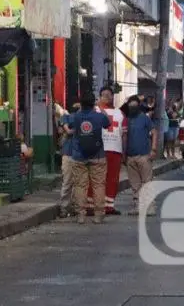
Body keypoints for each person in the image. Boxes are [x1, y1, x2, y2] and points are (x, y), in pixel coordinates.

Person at [67, 91, 110, 224]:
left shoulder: (76, 116)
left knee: (80, 185)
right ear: (94, 103)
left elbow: (70, 126)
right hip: (98, 155)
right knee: (98, 185)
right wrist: (100, 108)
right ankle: (98, 215)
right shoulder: (99, 116)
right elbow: (107, 123)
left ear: (81, 103)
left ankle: (81, 215)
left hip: (79, 156)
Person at [123, 95, 159, 215]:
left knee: (147, 182)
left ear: (138, 106)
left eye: (134, 106)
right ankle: (138, 206)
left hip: (144, 155)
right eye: (130, 106)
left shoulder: (144, 118)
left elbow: (154, 132)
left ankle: (151, 207)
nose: (132, 108)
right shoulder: (126, 119)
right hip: (130, 156)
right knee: (135, 184)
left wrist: (153, 149)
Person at [98, 86, 126, 215]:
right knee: (97, 178)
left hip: (115, 150)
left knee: (113, 179)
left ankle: (109, 206)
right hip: (99, 150)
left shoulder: (120, 113)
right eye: (104, 94)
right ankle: (92, 206)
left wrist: (124, 152)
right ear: (99, 96)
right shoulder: (95, 111)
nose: (107, 97)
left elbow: (124, 134)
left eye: (109, 94)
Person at [57, 102, 78, 217]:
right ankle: (65, 208)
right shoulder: (66, 117)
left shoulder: (68, 118)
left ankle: (71, 207)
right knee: (69, 182)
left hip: (76, 154)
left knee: (73, 183)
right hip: (69, 154)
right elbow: (68, 131)